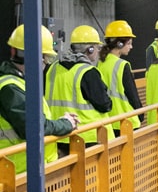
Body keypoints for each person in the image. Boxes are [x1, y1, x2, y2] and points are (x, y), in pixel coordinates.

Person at [0, 24, 79, 174]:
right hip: (18, 173)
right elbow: (34, 127)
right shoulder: (10, 87)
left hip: (27, 170)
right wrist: (66, 124)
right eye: (45, 57)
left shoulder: (19, 83)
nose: (46, 63)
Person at [45, 25, 115, 156]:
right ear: (90, 49)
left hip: (59, 136)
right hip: (88, 138)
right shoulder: (88, 72)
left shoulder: (52, 68)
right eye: (97, 47)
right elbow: (104, 104)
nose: (98, 51)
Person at [97, 20, 144, 137]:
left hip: (109, 122)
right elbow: (132, 96)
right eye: (129, 43)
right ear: (119, 44)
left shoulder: (100, 63)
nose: (131, 47)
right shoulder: (122, 65)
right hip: (126, 121)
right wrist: (140, 114)